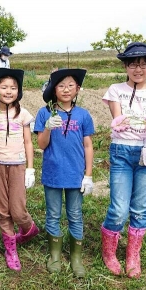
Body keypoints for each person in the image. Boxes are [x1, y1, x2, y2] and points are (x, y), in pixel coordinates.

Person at [100, 42, 146, 278]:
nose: (138, 69)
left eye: (143, 64)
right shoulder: (115, 90)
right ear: (126, 66)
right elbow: (118, 119)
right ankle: (109, 253)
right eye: (133, 64)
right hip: (121, 151)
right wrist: (121, 122)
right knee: (119, 209)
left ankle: (132, 255)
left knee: (141, 208)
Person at [34, 68, 95, 277]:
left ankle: (76, 258)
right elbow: (41, 144)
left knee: (75, 215)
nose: (66, 89)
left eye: (71, 85)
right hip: (52, 173)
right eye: (61, 85)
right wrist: (48, 127)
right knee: (53, 214)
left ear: (77, 89)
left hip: (75, 175)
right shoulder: (45, 113)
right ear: (53, 89)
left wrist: (88, 174)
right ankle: (55, 255)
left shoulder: (83, 115)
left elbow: (88, 145)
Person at [0, 68, 39, 271]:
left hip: (18, 164)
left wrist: (30, 168)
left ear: (18, 91)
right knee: (3, 210)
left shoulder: (23, 114)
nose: (8, 91)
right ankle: (11, 249)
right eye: (3, 87)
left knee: (18, 210)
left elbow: (29, 142)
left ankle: (28, 229)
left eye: (13, 88)